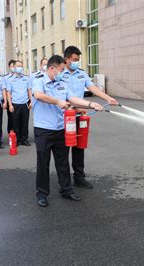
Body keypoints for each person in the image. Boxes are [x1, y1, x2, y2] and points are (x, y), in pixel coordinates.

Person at [32, 55, 103, 207]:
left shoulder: (62, 83)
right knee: (43, 163)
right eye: (61, 69)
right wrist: (57, 101)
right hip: (43, 130)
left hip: (60, 128)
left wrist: (91, 104)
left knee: (62, 162)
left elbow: (73, 99)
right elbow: (38, 95)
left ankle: (66, 190)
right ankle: (42, 194)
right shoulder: (39, 80)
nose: (63, 72)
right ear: (52, 68)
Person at [62, 45, 119, 189]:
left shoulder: (81, 73)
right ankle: (64, 182)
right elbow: (62, 96)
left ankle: (79, 178)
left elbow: (92, 87)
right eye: (74, 60)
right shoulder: (60, 74)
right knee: (63, 150)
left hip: (79, 115)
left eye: (78, 60)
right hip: (64, 117)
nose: (76, 62)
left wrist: (108, 98)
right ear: (66, 59)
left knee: (79, 148)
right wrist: (80, 106)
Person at [5, 60, 32, 146]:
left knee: (25, 122)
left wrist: (31, 101)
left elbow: (29, 90)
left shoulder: (26, 79)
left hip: (25, 103)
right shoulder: (10, 80)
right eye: (18, 66)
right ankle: (16, 139)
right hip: (15, 103)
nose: (19, 68)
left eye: (21, 66)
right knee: (15, 123)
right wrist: (10, 105)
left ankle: (24, 139)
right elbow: (8, 92)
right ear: (14, 67)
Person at [4, 60, 16, 134]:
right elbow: (4, 90)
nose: (13, 68)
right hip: (9, 100)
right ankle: (11, 133)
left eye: (14, 66)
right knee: (11, 118)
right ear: (9, 67)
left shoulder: (21, 76)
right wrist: (6, 101)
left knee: (18, 118)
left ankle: (18, 134)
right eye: (12, 66)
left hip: (17, 100)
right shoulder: (6, 78)